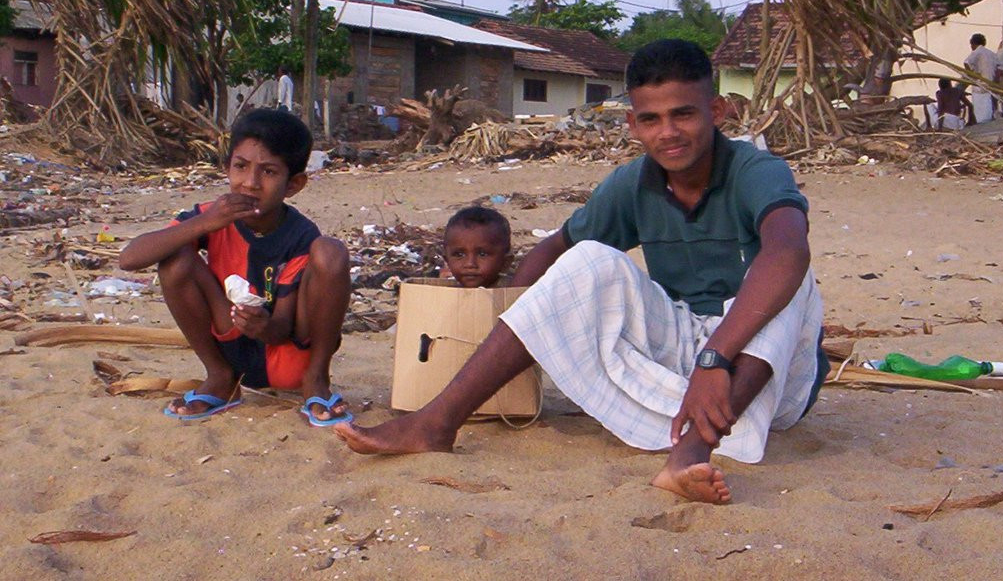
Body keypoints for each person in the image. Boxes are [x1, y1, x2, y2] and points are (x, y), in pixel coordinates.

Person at [335, 39, 827, 505]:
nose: (669, 132)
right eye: (652, 119)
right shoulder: (635, 182)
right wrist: (500, 326)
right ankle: (436, 423)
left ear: (716, 112)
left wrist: (715, 360)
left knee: (791, 275)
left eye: (684, 114)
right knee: (589, 258)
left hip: (764, 381)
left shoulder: (754, 170)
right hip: (685, 361)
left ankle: (690, 453)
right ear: (633, 124)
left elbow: (787, 251)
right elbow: (556, 249)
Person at [120, 108, 352, 426]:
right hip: (227, 340)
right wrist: (206, 222)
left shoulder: (300, 234)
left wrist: (264, 326)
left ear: (293, 184)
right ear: (227, 168)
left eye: (268, 172)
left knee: (330, 251)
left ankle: (317, 378)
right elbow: (129, 259)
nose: (250, 183)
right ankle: (219, 376)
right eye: (241, 167)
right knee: (174, 260)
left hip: (284, 357)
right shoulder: (212, 216)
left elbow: (282, 327)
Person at [442, 206, 513, 289]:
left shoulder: (517, 295)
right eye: (459, 254)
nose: (470, 264)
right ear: (447, 261)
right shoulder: (442, 295)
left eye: (482, 254)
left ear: (506, 262)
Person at [964, 33, 998, 123]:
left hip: (980, 85)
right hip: (991, 84)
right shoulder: (992, 54)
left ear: (973, 43)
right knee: (990, 106)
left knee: (980, 111)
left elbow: (966, 62)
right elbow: (1000, 69)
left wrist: (971, 75)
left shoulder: (977, 52)